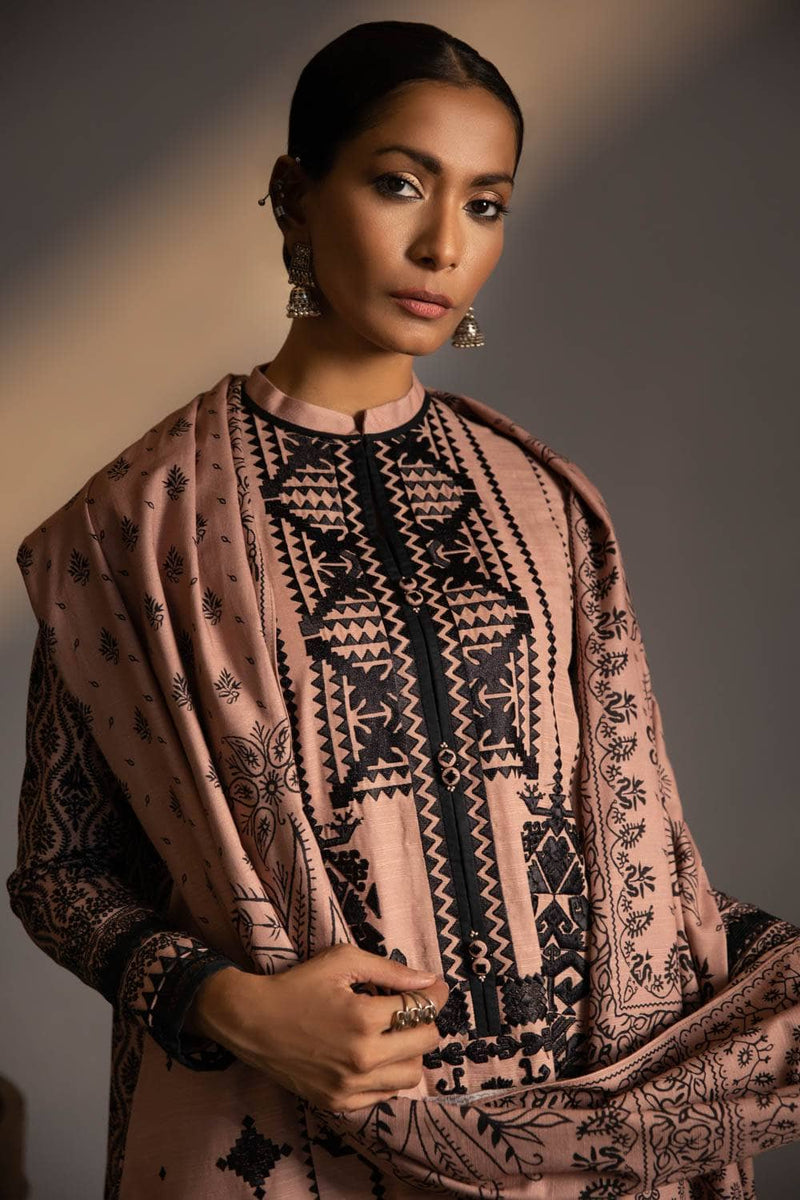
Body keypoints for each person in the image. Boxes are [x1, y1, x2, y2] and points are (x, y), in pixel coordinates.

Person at [8, 19, 800, 1200]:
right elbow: (61, 870)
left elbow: (630, 858)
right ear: (295, 195)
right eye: (397, 185)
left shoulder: (545, 503)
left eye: (485, 205)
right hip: (270, 1132)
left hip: (572, 1138)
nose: (442, 245)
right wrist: (232, 1008)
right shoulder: (138, 522)